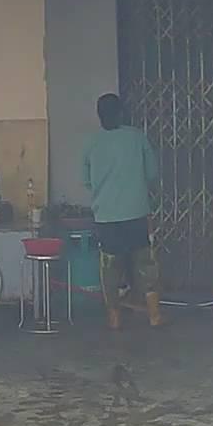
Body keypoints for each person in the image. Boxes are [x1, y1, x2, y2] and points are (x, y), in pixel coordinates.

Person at [83, 93, 163, 331]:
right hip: (136, 213)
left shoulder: (91, 143)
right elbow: (152, 174)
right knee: (146, 264)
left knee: (110, 269)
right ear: (121, 114)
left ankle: (114, 318)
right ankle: (154, 316)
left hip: (106, 217)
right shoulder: (137, 137)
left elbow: (87, 181)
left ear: (99, 116)